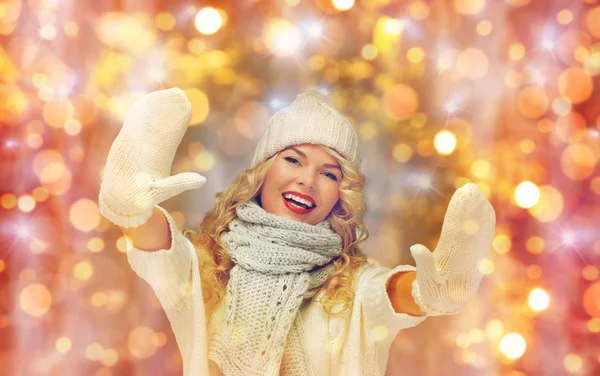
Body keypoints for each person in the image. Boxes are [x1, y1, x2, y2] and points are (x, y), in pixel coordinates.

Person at [98, 88, 496, 376]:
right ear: (263, 170)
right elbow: (156, 247)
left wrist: (433, 292)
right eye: (293, 159)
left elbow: (390, 294)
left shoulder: (351, 285)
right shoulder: (206, 267)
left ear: (342, 194)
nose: (308, 180)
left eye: (329, 173)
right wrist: (129, 208)